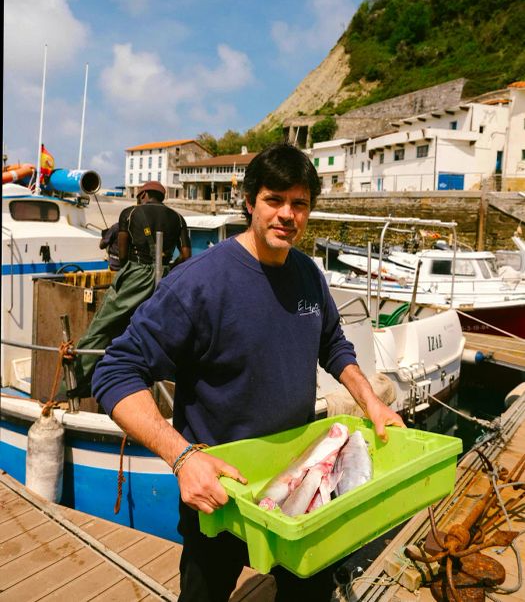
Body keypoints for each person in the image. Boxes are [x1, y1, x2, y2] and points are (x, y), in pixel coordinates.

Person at [92, 144, 405, 601]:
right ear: (249, 201)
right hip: (217, 493)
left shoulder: (309, 275)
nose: (287, 215)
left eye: (299, 204)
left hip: (299, 485)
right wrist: (183, 458)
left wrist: (372, 403)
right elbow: (115, 371)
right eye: (274, 200)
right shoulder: (199, 283)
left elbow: (333, 344)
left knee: (309, 594)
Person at [70, 181, 191, 398]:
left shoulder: (130, 212)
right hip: (166, 278)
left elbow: (123, 254)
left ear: (143, 194)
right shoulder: (178, 218)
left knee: (101, 327)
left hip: (137, 273)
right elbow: (185, 256)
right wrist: (167, 269)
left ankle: (74, 384)